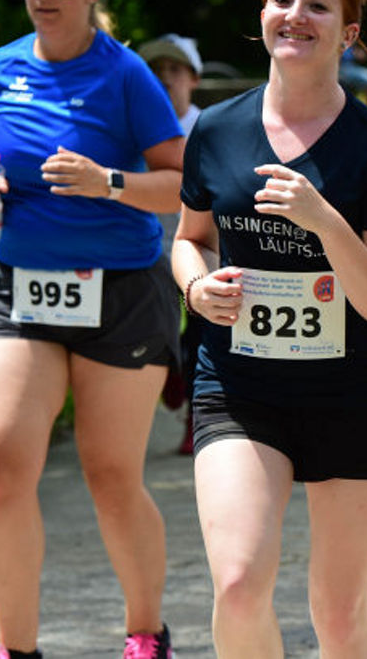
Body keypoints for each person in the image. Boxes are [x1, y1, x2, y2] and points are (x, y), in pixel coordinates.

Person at [172, 0, 367, 657]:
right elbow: (188, 239)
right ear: (263, 16)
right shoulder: (216, 132)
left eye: (318, 5)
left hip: (352, 392)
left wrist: (324, 220)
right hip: (240, 386)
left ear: (348, 31)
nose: (296, 16)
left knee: (339, 620)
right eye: (283, 0)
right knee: (240, 583)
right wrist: (196, 284)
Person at [0, 0, 183, 659]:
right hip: (21, 287)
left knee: (111, 475)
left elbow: (183, 183)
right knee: (1, 468)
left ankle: (146, 630)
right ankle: (15, 648)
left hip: (119, 294)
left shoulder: (126, 76)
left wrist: (107, 182)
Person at [138, 33, 205, 455]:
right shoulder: (136, 129)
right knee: (156, 332)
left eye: (174, 70)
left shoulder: (207, 128)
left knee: (200, 332)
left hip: (200, 250)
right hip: (148, 252)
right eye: (155, 71)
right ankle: (171, 371)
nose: (164, 79)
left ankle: (195, 419)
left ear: (193, 79)